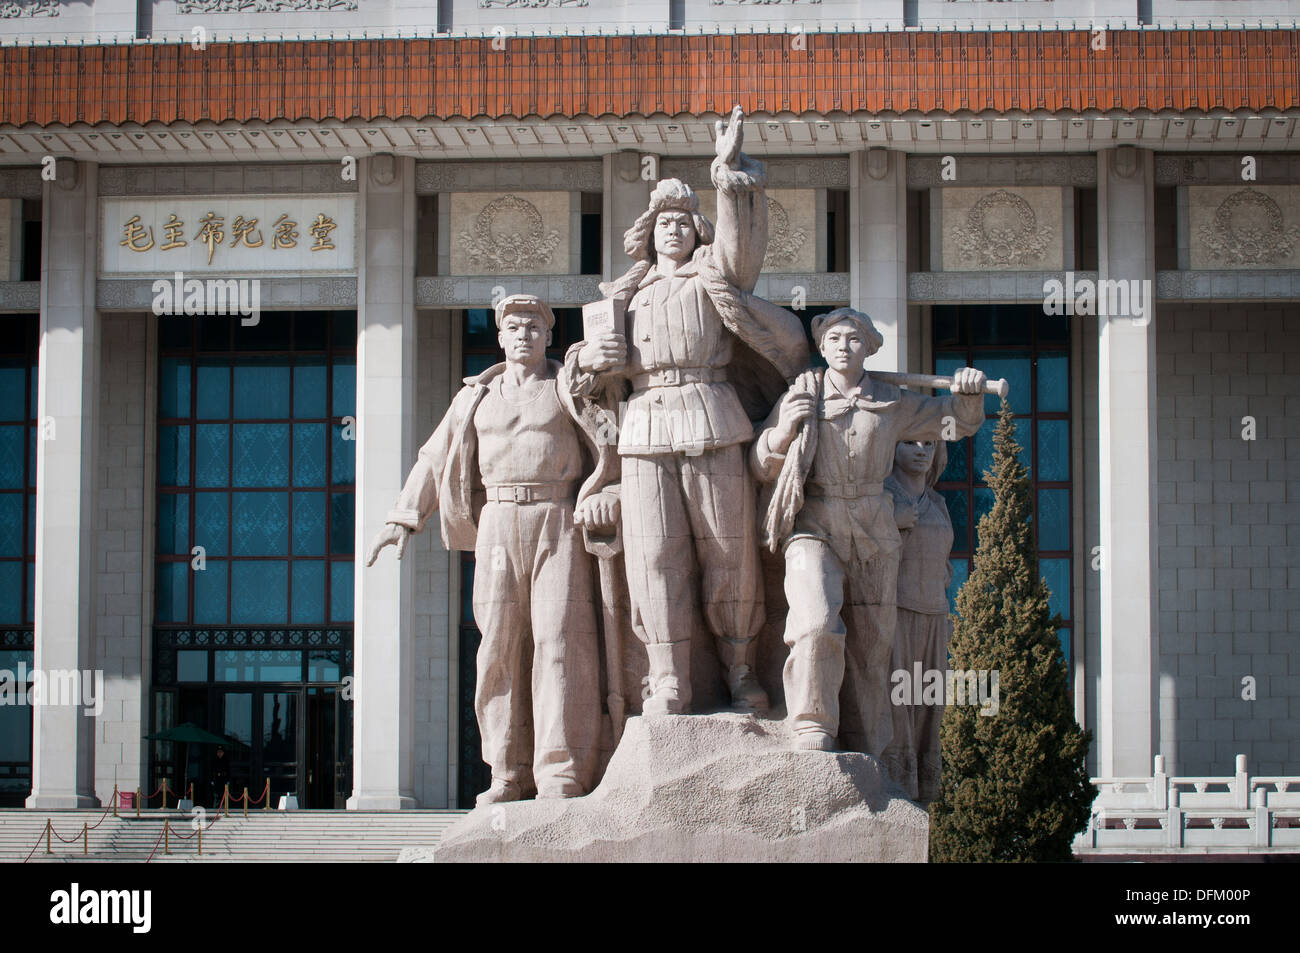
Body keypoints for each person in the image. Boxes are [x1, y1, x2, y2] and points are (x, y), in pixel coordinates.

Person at [571, 104, 808, 715]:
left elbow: (740, 247)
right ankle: (668, 674)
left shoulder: (715, 279)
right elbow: (579, 375)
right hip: (646, 430)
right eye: (662, 222)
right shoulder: (620, 298)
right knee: (654, 557)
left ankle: (738, 668)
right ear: (646, 235)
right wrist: (594, 359)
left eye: (682, 220)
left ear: (697, 230)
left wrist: (727, 174)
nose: (672, 229)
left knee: (726, 551)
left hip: (712, 416)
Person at [365, 294, 617, 806]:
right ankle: (506, 771)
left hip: (558, 517)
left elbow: (611, 442)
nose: (523, 334)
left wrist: (608, 492)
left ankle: (559, 770)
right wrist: (404, 518)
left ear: (549, 336)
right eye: (514, 327)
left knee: (560, 645)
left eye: (534, 326)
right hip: (497, 523)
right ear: (499, 337)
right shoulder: (474, 399)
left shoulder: (568, 388)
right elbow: (435, 458)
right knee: (497, 649)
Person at [750, 308, 985, 754]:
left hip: (874, 529)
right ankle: (811, 722)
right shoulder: (803, 394)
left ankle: (866, 744)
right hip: (814, 522)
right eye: (834, 338)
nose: (843, 346)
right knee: (816, 623)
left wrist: (968, 395)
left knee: (874, 646)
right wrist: (782, 432)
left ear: (870, 348)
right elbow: (760, 465)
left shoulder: (892, 402)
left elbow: (954, 421)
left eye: (854, 339)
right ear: (821, 348)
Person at [881, 440, 953, 804]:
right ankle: (896, 791)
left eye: (929, 443)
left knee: (929, 711)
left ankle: (921, 799)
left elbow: (944, 567)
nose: (921, 450)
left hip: (935, 619)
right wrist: (887, 523)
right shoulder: (883, 498)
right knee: (898, 710)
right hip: (898, 616)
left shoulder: (938, 504)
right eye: (910, 442)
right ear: (893, 448)